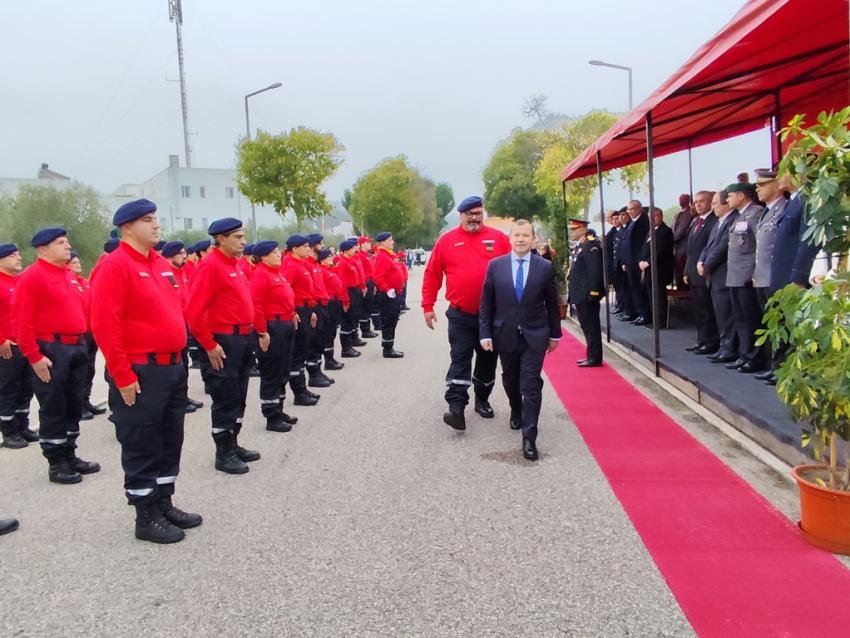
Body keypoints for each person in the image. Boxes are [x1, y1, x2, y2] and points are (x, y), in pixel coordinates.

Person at [91, 199, 201, 544]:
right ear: (127, 228)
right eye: (147, 220)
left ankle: (164, 502)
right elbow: (104, 324)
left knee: (171, 439)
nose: (156, 225)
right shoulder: (116, 265)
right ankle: (145, 515)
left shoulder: (160, 264)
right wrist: (122, 374)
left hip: (172, 366)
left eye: (156, 218)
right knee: (142, 442)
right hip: (140, 370)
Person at [13, 227, 100, 484]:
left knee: (74, 403)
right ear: (43, 249)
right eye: (61, 242)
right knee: (54, 406)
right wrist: (34, 356)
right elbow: (21, 321)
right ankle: (57, 462)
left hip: (76, 346)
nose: (67, 246)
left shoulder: (67, 275)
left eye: (66, 241)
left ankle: (70, 454)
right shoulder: (32, 277)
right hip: (51, 349)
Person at [422, 195, 511, 430]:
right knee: (460, 358)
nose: (475, 218)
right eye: (470, 214)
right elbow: (432, 275)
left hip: (492, 317)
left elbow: (513, 271)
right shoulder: (446, 241)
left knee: (487, 362)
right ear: (460, 216)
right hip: (460, 315)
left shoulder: (499, 239)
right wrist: (427, 306)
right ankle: (456, 408)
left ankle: (482, 399)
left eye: (478, 213)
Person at [185, 217, 265, 475]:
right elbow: (194, 310)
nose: (243, 241)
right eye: (237, 237)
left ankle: (234, 442)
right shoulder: (211, 265)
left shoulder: (237, 264)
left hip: (242, 338)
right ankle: (223, 453)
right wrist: (208, 344)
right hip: (224, 340)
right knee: (225, 397)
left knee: (239, 395)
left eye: (243, 237)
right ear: (220, 239)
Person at [479, 220, 561, 461]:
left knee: (531, 382)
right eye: (517, 235)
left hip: (535, 334)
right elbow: (486, 304)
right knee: (510, 379)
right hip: (505, 333)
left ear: (533, 239)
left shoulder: (544, 267)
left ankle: (529, 437)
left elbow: (551, 304)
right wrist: (485, 333)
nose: (521, 239)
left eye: (526, 235)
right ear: (510, 238)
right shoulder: (496, 266)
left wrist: (555, 334)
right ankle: (516, 407)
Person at [249, 240, 298, 432]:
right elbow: (256, 304)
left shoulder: (275, 273)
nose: (279, 254)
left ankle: (279, 409)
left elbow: (284, 298)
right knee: (272, 372)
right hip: (272, 327)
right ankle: (271, 415)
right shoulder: (261, 274)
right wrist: (262, 332)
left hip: (284, 323)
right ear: (264, 256)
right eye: (275, 252)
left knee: (283, 369)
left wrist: (292, 313)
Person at [724, 181, 767, 373]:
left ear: (741, 195)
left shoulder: (756, 212)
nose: (728, 199)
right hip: (734, 274)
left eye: (730, 195)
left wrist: (754, 272)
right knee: (740, 318)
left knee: (751, 319)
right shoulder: (740, 215)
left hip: (747, 276)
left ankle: (755, 358)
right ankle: (745, 354)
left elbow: (760, 245)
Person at [0, 243, 36, 449]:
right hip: (7, 345)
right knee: (8, 388)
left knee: (26, 387)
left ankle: (23, 425)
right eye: (13, 255)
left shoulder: (19, 282)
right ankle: (9, 430)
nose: (19, 258)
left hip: (24, 343)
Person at [162, 240, 204, 413]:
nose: (184, 256)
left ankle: (183, 397)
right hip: (175, 323)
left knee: (183, 364)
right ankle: (179, 400)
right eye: (181, 253)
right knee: (179, 365)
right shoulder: (167, 274)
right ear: (171, 255)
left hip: (185, 322)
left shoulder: (180, 273)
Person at [699, 190, 740, 364]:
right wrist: (701, 260)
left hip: (723, 274)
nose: (713, 207)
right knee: (720, 315)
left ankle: (729, 349)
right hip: (713, 276)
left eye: (715, 203)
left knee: (727, 316)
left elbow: (722, 248)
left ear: (725, 204)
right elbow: (708, 246)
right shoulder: (718, 223)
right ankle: (724, 347)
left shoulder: (732, 220)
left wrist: (707, 265)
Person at [281, 235, 320, 407]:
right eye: (304, 246)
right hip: (297, 311)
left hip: (306, 309)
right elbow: (286, 292)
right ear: (294, 249)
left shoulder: (301, 264)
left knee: (303, 351)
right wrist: (292, 311)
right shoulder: (290, 266)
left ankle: (302, 388)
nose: (308, 249)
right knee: (297, 355)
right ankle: (298, 391)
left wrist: (311, 310)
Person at [67, 252, 105, 421]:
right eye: (73, 262)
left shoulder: (84, 282)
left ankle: (85, 400)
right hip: (78, 333)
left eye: (78, 261)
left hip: (90, 331)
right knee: (77, 373)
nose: (78, 264)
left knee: (88, 369)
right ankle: (77, 405)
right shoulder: (68, 282)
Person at [683, 190, 719, 354]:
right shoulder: (695, 221)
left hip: (705, 272)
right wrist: (686, 271)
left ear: (710, 202)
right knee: (697, 309)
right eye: (695, 202)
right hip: (692, 272)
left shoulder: (714, 221)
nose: (697, 204)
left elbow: (711, 248)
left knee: (707, 309)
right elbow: (690, 250)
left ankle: (711, 341)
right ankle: (701, 339)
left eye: (701, 201)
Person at [567, 219, 604, 367]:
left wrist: (594, 292)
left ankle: (594, 357)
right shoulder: (581, 245)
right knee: (585, 325)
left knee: (591, 326)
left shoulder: (590, 245)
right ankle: (591, 354)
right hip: (580, 293)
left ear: (583, 229)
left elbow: (595, 271)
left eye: (574, 229)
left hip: (587, 294)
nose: (572, 232)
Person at [636, 208, 674, 328]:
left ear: (661, 216)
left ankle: (661, 321)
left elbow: (661, 251)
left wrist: (647, 262)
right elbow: (644, 249)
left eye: (655, 216)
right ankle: (655, 319)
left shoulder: (665, 231)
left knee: (658, 296)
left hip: (660, 269)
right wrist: (640, 261)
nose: (652, 219)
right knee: (651, 295)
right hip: (648, 270)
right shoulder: (651, 231)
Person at [372, 232, 405, 358]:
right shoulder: (382, 256)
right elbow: (378, 276)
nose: (393, 242)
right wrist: (386, 289)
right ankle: (387, 349)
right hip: (388, 295)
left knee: (392, 320)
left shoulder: (388, 255)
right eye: (390, 240)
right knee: (388, 321)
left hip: (394, 293)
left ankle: (389, 346)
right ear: (383, 242)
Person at [617, 200, 649, 322]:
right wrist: (625, 261)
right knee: (633, 289)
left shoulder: (642, 222)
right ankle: (639, 312)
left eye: (632, 209)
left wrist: (634, 261)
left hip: (637, 262)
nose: (630, 212)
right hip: (629, 262)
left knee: (639, 289)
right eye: (628, 210)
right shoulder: (633, 222)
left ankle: (644, 314)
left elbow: (639, 245)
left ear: (639, 209)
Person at [335, 238, 364, 358]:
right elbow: (342, 282)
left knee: (353, 318)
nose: (355, 250)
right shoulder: (343, 262)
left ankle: (351, 342)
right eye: (352, 248)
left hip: (355, 290)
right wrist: (345, 300)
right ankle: (345, 348)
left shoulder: (351, 260)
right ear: (346, 250)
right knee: (347, 320)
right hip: (348, 292)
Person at [318, 248, 346, 370]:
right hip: (328, 302)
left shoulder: (330, 270)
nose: (332, 258)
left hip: (335, 302)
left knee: (332, 331)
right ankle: (328, 360)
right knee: (328, 332)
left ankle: (331, 358)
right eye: (329, 257)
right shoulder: (322, 271)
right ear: (322, 260)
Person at [357, 236, 379, 338]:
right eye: (367, 242)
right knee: (364, 307)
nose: (370, 244)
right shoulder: (360, 256)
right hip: (365, 283)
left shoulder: (368, 255)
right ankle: (365, 330)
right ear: (362, 244)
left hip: (370, 282)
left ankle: (368, 328)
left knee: (369, 306)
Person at [671, 193, 694, 290]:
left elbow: (681, 230)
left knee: (683, 275)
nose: (681, 201)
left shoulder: (689, 213)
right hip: (676, 250)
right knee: (678, 276)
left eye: (683, 199)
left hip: (684, 250)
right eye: (680, 199)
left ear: (688, 201)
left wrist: (670, 240)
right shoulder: (677, 214)